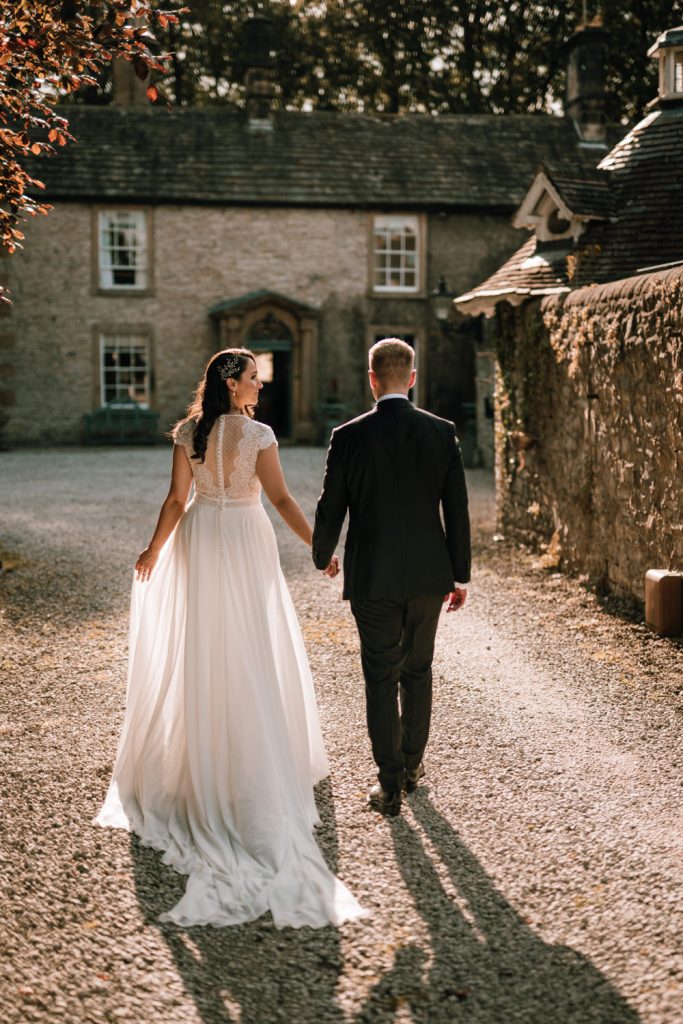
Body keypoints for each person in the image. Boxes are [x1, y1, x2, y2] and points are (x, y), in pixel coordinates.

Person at [94, 348, 364, 928]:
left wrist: (154, 549)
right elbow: (282, 499)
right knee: (248, 642)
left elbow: (175, 501)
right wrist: (320, 550)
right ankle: (248, 756)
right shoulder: (259, 434)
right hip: (243, 537)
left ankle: (202, 758)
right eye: (253, 380)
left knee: (203, 642)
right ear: (232, 382)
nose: (260, 389)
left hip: (199, 536)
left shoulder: (190, 431)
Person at [312, 339, 471, 818]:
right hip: (428, 575)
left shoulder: (348, 435)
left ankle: (389, 786)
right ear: (413, 379)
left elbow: (331, 503)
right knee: (417, 671)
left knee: (380, 677)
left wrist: (324, 553)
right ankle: (412, 766)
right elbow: (457, 511)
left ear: (372, 379)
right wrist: (459, 574)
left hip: (372, 575)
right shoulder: (442, 433)